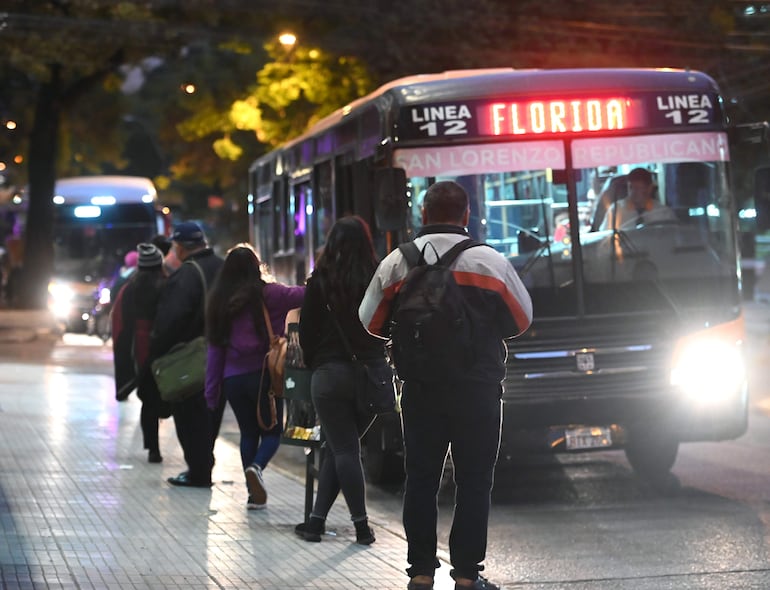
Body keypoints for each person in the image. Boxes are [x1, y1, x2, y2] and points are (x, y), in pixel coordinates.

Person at [359, 181, 533, 590]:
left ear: (423, 214)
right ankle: (467, 576)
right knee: (474, 480)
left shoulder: (397, 263)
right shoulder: (488, 262)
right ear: (466, 215)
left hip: (420, 390)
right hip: (478, 390)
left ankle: (420, 571)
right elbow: (522, 319)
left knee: (420, 478)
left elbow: (369, 320)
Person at [294, 216, 384, 545]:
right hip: (370, 375)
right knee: (340, 447)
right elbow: (386, 324)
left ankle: (361, 527)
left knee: (343, 448)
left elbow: (306, 333)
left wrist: (315, 358)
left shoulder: (321, 281)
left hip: (329, 376)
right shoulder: (377, 277)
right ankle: (315, 523)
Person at [204, 243, 305, 509]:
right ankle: (257, 468)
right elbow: (303, 295)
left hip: (232, 379)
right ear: (256, 267)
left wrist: (211, 392)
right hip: (264, 377)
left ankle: (253, 493)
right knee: (272, 432)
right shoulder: (270, 294)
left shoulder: (218, 302)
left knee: (248, 433)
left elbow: (215, 350)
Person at [149, 221, 224, 488]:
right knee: (212, 414)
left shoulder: (186, 275)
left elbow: (171, 321)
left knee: (190, 415)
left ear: (179, 247)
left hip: (192, 360)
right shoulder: (222, 267)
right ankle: (204, 463)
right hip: (225, 355)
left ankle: (198, 471)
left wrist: (156, 350)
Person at [111, 243, 171, 463]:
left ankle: (153, 448)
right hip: (165, 345)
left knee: (148, 400)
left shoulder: (129, 289)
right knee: (167, 394)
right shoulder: (168, 285)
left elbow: (118, 321)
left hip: (140, 348)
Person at [599, 167, 676, 230]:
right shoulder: (616, 211)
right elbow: (604, 238)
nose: (633, 192)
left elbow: (673, 237)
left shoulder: (663, 213)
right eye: (631, 187)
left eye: (638, 188)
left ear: (649, 189)